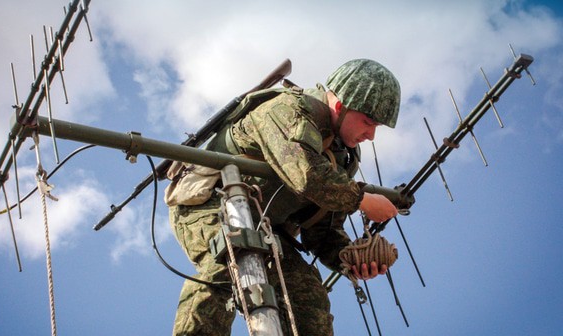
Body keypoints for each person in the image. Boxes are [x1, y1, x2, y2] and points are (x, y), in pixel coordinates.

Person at [166, 58, 401, 336]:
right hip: (209, 204)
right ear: (340, 106)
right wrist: (362, 199)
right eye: (368, 122)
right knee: (226, 263)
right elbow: (306, 174)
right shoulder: (287, 110)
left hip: (265, 225)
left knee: (307, 299)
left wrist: (349, 258)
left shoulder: (342, 157)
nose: (371, 135)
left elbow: (321, 229)